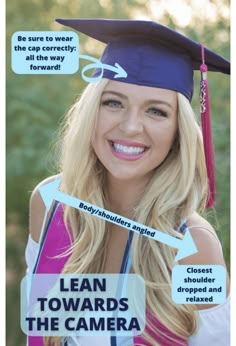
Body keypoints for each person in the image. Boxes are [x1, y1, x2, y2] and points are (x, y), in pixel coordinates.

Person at [25, 19, 230, 346]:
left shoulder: (194, 249)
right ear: (92, 110)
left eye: (157, 111)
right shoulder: (49, 204)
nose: (132, 127)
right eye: (114, 103)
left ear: (179, 131)